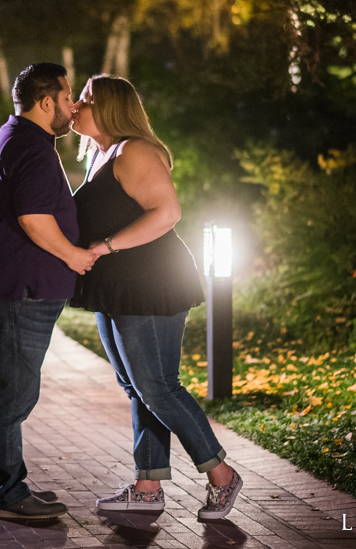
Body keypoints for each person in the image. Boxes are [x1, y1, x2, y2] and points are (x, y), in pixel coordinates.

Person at [68, 74, 242, 521]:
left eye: (84, 100)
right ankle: (147, 488)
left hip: (150, 282)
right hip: (119, 286)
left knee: (158, 388)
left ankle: (221, 474)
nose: (75, 107)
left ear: (108, 108)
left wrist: (105, 246)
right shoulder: (102, 154)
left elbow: (167, 212)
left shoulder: (134, 151)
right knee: (137, 388)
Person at [0, 62, 96, 520]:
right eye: (68, 98)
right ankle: (8, 496)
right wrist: (73, 256)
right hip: (13, 293)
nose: (73, 109)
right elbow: (34, 219)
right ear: (46, 100)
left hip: (0, 290)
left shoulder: (13, 139)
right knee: (9, 397)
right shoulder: (32, 149)